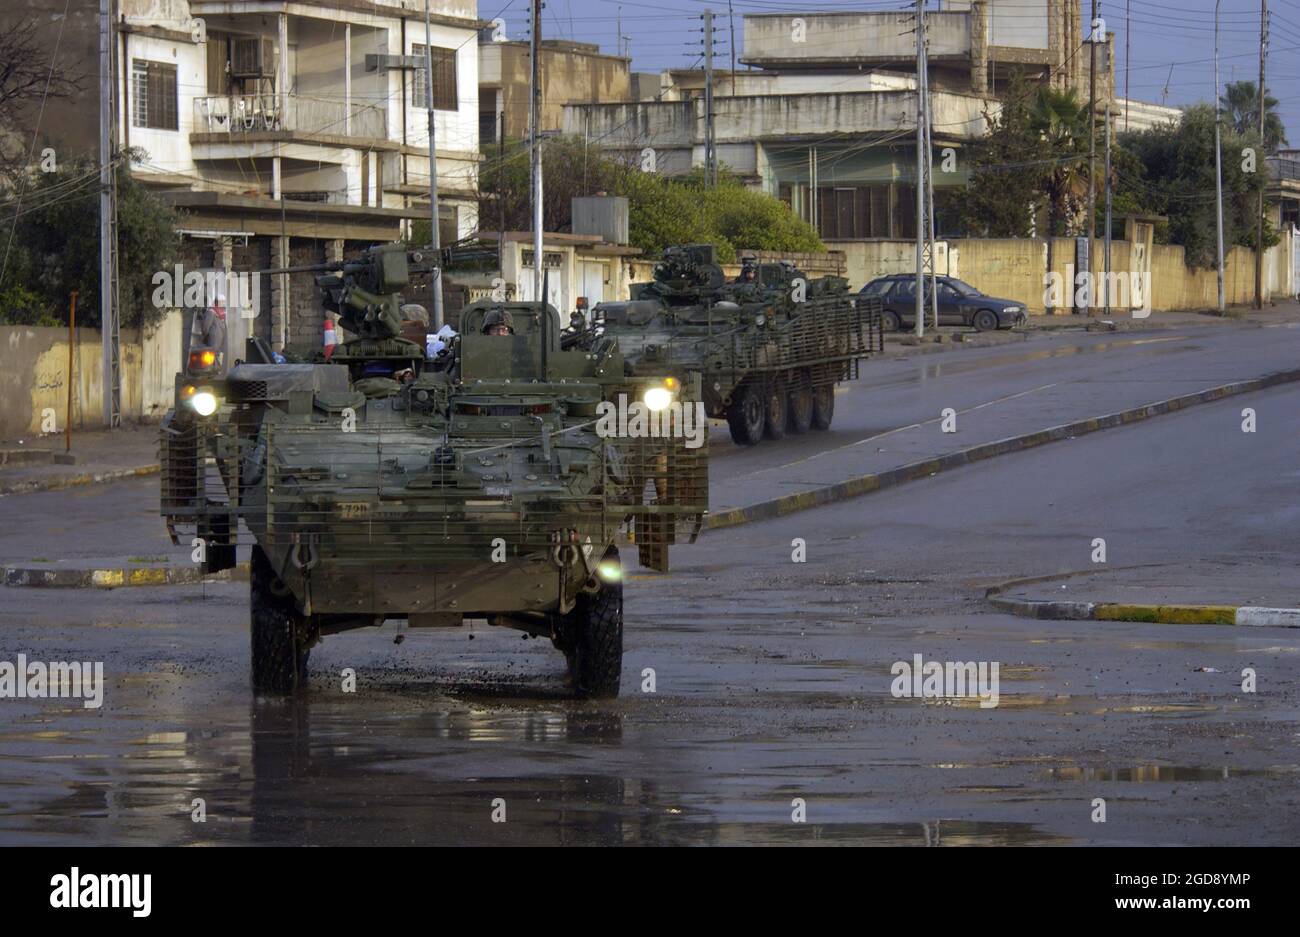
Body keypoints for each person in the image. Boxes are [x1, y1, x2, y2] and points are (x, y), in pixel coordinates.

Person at [191, 292, 228, 368]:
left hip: (214, 342)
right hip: (216, 343)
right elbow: (206, 328)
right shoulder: (218, 314)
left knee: (212, 363)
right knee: (214, 362)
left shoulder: (214, 312)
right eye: (222, 302)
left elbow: (205, 327)